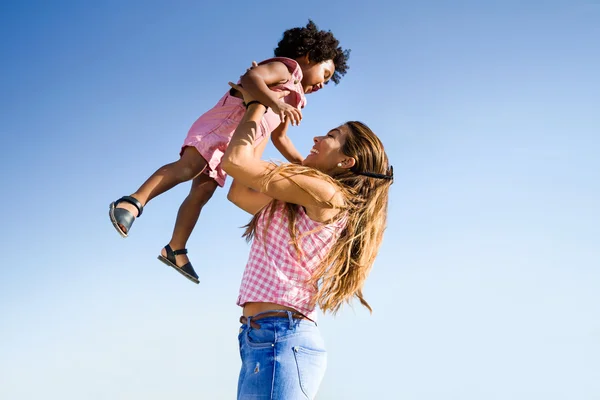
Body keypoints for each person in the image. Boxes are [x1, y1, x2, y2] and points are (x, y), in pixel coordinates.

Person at [108, 20, 350, 284]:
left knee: (203, 191)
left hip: (233, 143)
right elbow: (251, 79)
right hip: (223, 126)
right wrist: (272, 101)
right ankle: (132, 202)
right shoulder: (285, 69)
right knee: (188, 167)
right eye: (325, 74)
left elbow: (281, 138)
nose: (324, 84)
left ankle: (175, 248)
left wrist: (304, 164)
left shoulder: (295, 100)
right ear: (308, 56)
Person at [223, 82, 393, 399]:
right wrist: (263, 115)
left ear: (347, 162)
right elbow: (239, 189)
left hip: (281, 337)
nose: (316, 137)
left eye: (331, 136)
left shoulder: (329, 196)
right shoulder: (297, 204)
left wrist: (258, 104)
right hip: (260, 337)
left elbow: (236, 162)